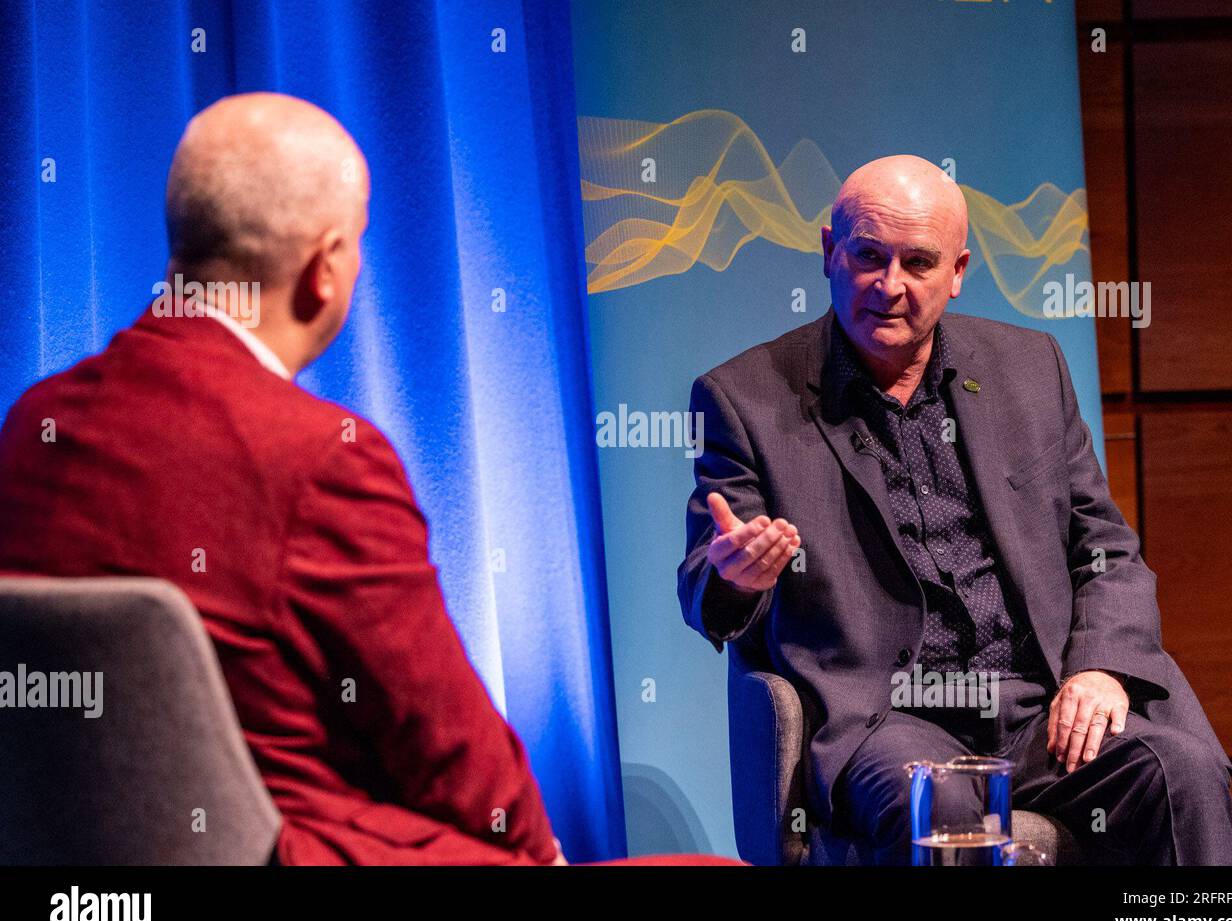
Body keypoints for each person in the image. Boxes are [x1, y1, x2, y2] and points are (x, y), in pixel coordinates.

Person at [0, 93, 730, 866]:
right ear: (324, 269)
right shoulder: (320, 457)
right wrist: (536, 851)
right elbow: (452, 754)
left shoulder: (33, 424)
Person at [678, 154, 1232, 865]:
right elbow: (706, 579)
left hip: (1036, 707)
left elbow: (1105, 547)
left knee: (1174, 772)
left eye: (918, 263)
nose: (890, 286)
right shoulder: (743, 399)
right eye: (868, 256)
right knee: (939, 802)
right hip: (888, 716)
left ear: (958, 271)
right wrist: (737, 576)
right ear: (828, 252)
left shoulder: (1030, 369)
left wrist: (1099, 669)